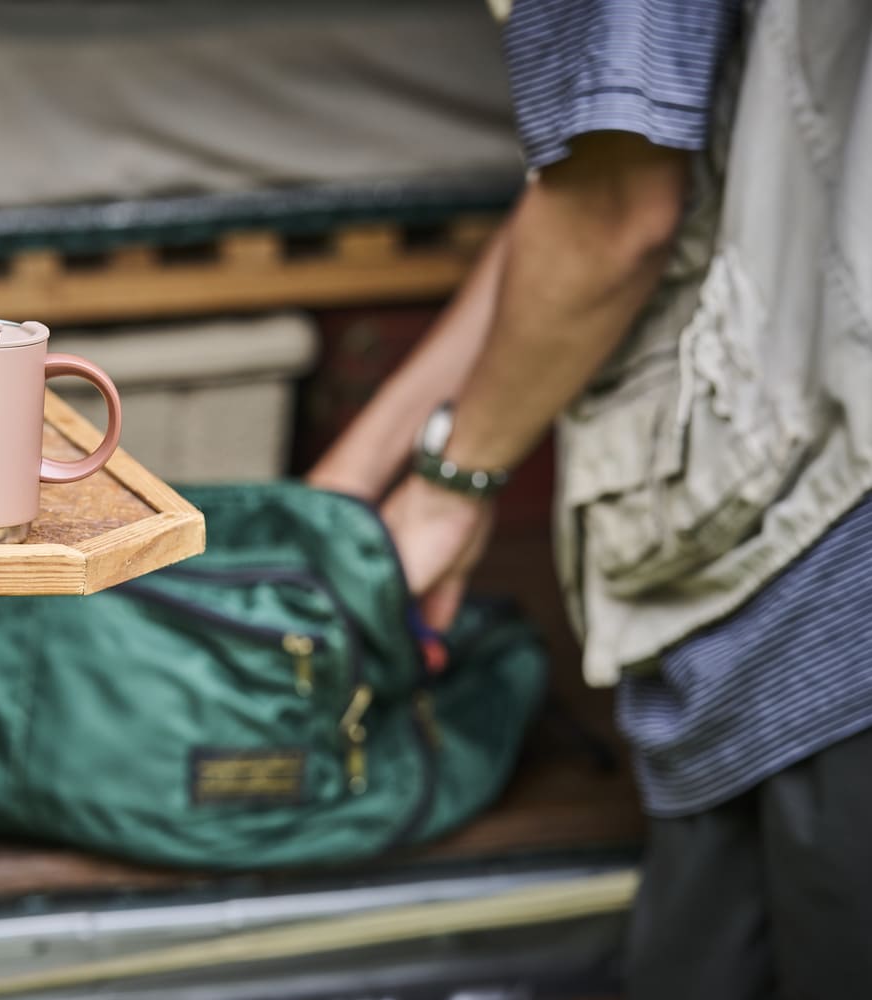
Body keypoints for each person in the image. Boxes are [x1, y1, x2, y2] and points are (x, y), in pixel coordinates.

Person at [309, 1, 872, 996]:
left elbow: (617, 217)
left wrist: (452, 486)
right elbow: (581, 185)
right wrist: (356, 480)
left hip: (825, 596)